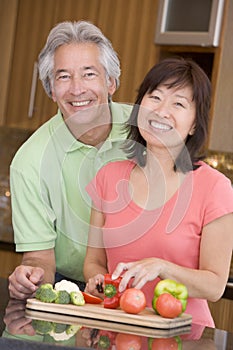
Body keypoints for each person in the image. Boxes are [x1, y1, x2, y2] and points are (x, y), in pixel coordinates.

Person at [83, 57, 233, 327]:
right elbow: (94, 261)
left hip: (185, 337)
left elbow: (215, 286)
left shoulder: (215, 187)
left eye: (178, 104)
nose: (161, 111)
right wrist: (97, 279)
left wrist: (162, 267)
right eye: (155, 98)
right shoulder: (108, 176)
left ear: (195, 124)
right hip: (115, 330)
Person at [8, 20, 132, 300]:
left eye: (89, 74)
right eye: (63, 77)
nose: (77, 89)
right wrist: (31, 276)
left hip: (144, 281)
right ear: (51, 90)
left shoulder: (146, 133)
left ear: (110, 82)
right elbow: (40, 258)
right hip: (72, 286)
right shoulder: (29, 162)